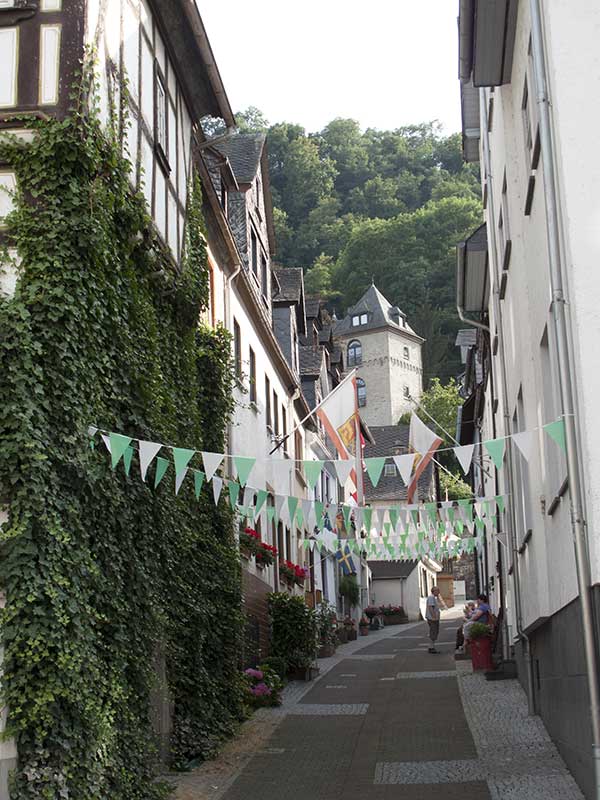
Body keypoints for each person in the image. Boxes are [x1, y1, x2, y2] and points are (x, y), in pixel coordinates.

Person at [425, 586, 444, 653]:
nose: (439, 592)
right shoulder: (431, 597)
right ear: (434, 591)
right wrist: (434, 617)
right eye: (437, 590)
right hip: (432, 619)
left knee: (434, 632)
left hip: (434, 618)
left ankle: (431, 646)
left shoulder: (434, 598)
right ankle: (431, 647)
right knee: (433, 632)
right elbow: (430, 607)